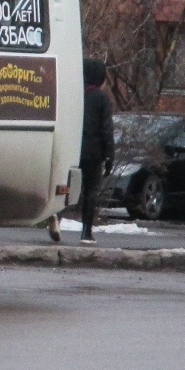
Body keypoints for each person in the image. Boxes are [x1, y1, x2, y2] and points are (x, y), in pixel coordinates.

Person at [78, 58, 115, 244]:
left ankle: (57, 220)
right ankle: (86, 232)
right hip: (93, 152)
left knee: (67, 187)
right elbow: (107, 128)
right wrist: (110, 155)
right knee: (91, 191)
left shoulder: (74, 93)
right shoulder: (101, 98)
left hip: (72, 148)